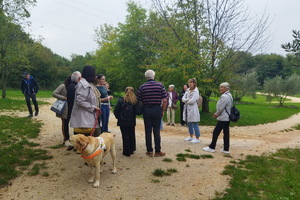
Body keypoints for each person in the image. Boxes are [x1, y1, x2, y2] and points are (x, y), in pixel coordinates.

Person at [137, 69, 167, 157]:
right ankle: (158, 151)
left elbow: (138, 100)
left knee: (148, 131)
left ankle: (149, 151)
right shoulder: (160, 85)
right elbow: (165, 100)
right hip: (157, 109)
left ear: (146, 77)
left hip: (146, 110)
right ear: (154, 76)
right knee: (157, 131)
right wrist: (162, 110)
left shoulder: (142, 87)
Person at [70, 65, 101, 137]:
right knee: (87, 143)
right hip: (85, 119)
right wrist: (93, 108)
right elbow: (80, 101)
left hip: (89, 117)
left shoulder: (89, 84)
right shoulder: (83, 85)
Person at [203, 82, 232, 154]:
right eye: (220, 87)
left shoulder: (224, 97)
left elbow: (221, 108)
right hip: (227, 117)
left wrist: (216, 114)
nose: (220, 89)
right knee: (226, 133)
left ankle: (212, 147)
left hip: (223, 117)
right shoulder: (229, 95)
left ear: (226, 88)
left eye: (222, 87)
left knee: (216, 132)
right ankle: (226, 148)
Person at [114, 87, 142, 157]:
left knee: (125, 135)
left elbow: (116, 110)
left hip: (122, 121)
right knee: (131, 134)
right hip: (131, 121)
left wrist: (118, 117)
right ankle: (132, 149)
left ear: (125, 91)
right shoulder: (134, 101)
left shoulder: (121, 100)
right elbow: (138, 112)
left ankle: (126, 151)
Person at [53, 76, 72, 147]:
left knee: (67, 122)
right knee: (65, 122)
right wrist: (63, 97)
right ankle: (65, 138)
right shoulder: (63, 86)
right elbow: (54, 93)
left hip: (69, 107)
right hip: (63, 107)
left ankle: (67, 137)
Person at [66, 71, 81, 150]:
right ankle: (76, 145)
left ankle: (74, 144)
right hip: (75, 110)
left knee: (75, 128)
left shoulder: (70, 86)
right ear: (79, 78)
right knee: (77, 129)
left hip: (70, 108)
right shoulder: (76, 87)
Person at [182, 78, 201, 143]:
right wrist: (187, 100)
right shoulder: (187, 90)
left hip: (193, 108)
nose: (189, 84)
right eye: (189, 82)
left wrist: (186, 100)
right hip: (187, 108)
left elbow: (193, 101)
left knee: (194, 122)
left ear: (194, 83)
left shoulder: (196, 91)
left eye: (191, 82)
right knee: (189, 123)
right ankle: (191, 136)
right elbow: (183, 99)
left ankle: (197, 137)